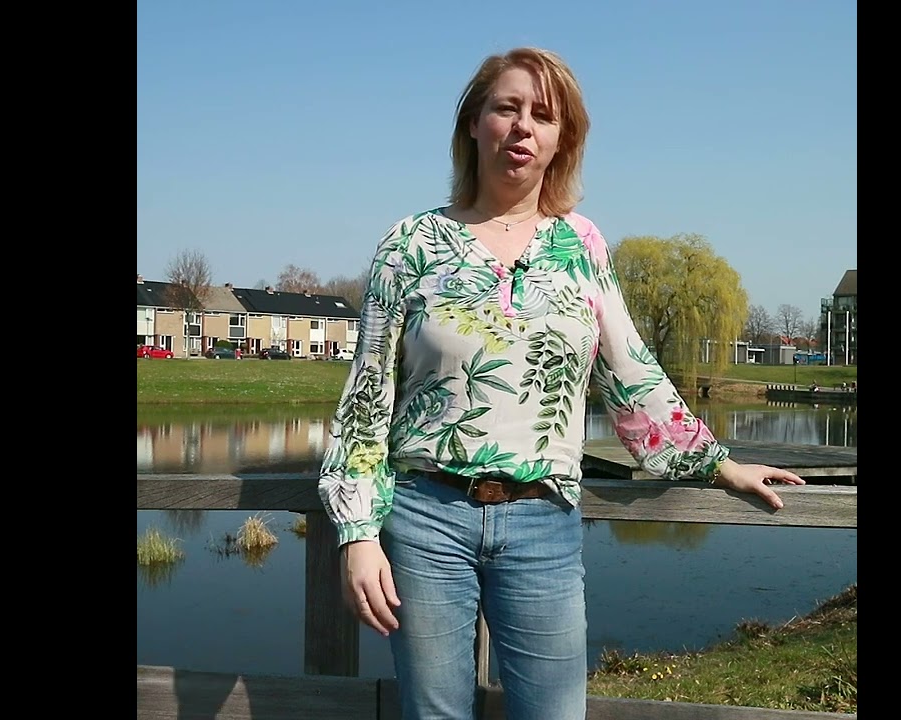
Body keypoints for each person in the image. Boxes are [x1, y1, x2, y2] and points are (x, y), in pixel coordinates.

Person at [318, 47, 805, 720]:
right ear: (474, 123)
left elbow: (629, 370)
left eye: (543, 116)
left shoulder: (581, 244)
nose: (523, 126)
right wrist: (358, 533)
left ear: (560, 140)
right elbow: (367, 397)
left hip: (542, 521)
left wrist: (720, 464)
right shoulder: (411, 244)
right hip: (426, 518)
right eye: (507, 107)